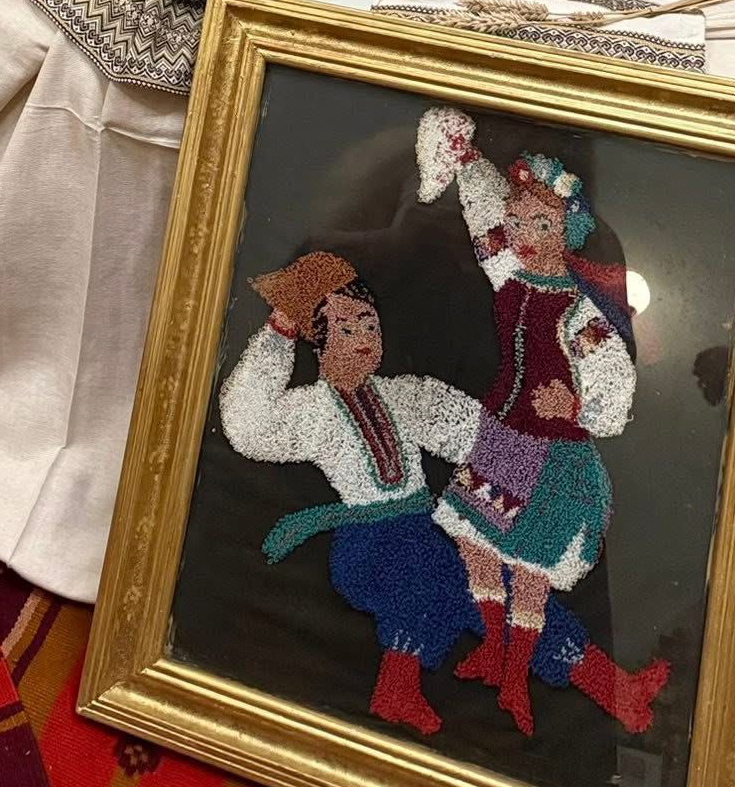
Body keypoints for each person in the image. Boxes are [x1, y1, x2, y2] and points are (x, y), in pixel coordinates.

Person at [222, 251, 669, 742]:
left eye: (370, 325)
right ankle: (396, 688)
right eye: (347, 329)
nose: (364, 338)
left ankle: (614, 689)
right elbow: (248, 427)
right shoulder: (310, 411)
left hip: (423, 527)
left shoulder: (405, 395)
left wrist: (551, 489)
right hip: (368, 543)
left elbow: (476, 436)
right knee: (426, 578)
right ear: (320, 341)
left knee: (507, 585)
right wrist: (278, 335)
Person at [416, 108, 668, 737]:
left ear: (566, 231)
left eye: (542, 223)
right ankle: (494, 647)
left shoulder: (578, 311)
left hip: (551, 447)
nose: (525, 232)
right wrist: (469, 164)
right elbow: (485, 218)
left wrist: (576, 407)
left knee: (529, 567)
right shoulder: (509, 272)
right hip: (503, 434)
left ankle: (513, 677)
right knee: (476, 541)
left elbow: (613, 376)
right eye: (521, 219)